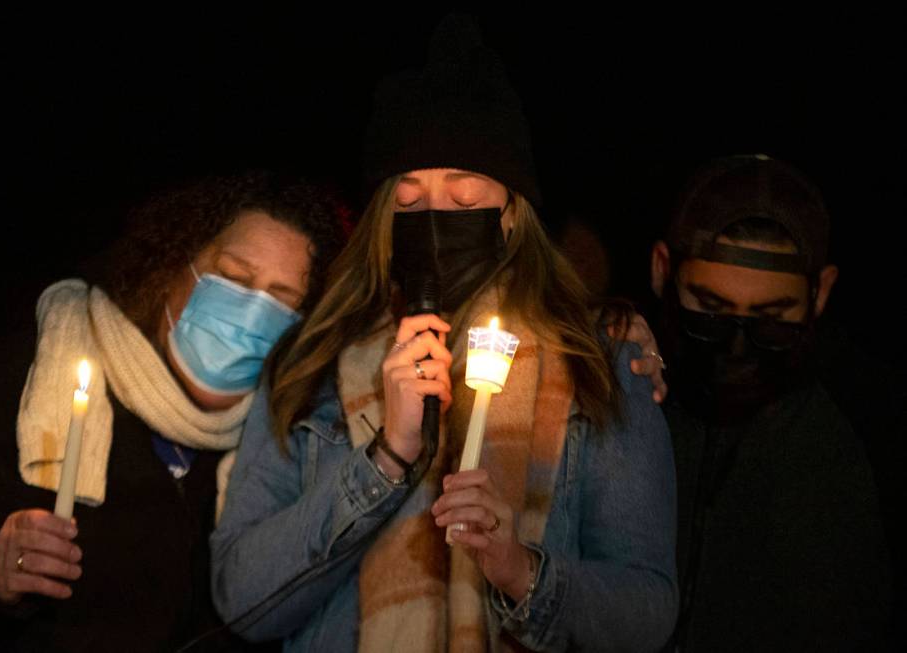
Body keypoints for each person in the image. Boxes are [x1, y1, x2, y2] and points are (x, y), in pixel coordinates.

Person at [211, 17, 678, 653]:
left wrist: (520, 570)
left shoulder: (600, 361)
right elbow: (244, 599)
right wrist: (386, 459)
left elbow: (647, 610)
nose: (434, 222)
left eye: (464, 204)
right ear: (381, 216)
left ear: (513, 214)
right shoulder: (310, 364)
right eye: (408, 203)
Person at [0, 171, 345, 651]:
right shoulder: (17, 386)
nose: (252, 313)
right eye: (233, 278)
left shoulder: (283, 449)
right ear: (171, 267)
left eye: (280, 299)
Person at [648, 154, 891, 651]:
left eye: (772, 321)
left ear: (820, 293)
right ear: (662, 271)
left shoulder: (858, 445)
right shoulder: (620, 400)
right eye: (710, 313)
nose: (738, 348)